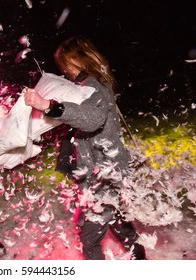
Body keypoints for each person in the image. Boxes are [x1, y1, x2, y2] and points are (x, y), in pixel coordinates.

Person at [24, 35, 146, 260]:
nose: (65, 69)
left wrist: (49, 107)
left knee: (89, 239)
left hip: (105, 172)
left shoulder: (91, 84)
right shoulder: (96, 82)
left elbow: (93, 119)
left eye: (66, 63)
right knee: (117, 220)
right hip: (108, 169)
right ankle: (139, 258)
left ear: (79, 60)